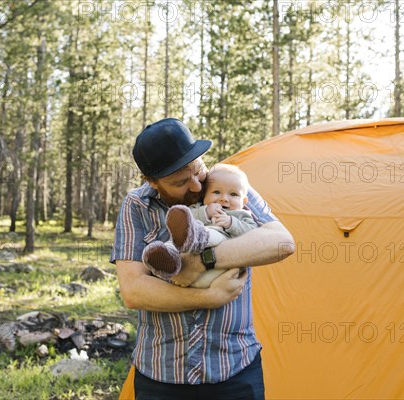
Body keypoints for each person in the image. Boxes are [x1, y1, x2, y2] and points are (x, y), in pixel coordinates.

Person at [111, 117, 295, 400]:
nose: (197, 186)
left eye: (197, 169)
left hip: (235, 369)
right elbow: (134, 291)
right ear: (152, 181)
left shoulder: (227, 183)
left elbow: (282, 241)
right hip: (162, 375)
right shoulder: (137, 206)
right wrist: (207, 298)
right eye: (180, 181)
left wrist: (200, 262)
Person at [142, 163, 258, 288]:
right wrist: (206, 212)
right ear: (204, 195)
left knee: (211, 233)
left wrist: (231, 223)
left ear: (244, 201)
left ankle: (196, 236)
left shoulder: (241, 214)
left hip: (218, 269)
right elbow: (186, 219)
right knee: (173, 243)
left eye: (234, 194)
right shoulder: (200, 208)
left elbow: (253, 234)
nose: (224, 198)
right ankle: (167, 258)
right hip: (185, 270)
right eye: (216, 192)